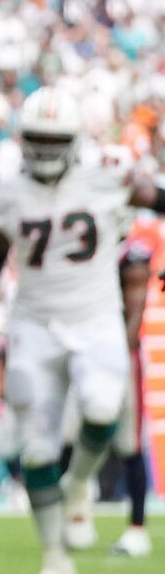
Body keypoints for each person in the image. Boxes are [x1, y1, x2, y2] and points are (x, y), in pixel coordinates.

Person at [0, 87, 165, 574]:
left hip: (97, 313)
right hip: (33, 320)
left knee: (103, 409)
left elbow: (158, 198)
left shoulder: (108, 170)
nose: (45, 149)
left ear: (75, 140)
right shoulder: (5, 185)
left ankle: (78, 486)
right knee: (36, 447)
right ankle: (55, 562)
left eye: (54, 139)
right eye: (37, 139)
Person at [112, 238, 153, 557]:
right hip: (81, 350)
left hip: (119, 355)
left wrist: (114, 354)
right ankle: (72, 513)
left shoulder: (130, 252)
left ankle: (137, 528)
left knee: (130, 444)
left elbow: (136, 306)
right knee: (68, 436)